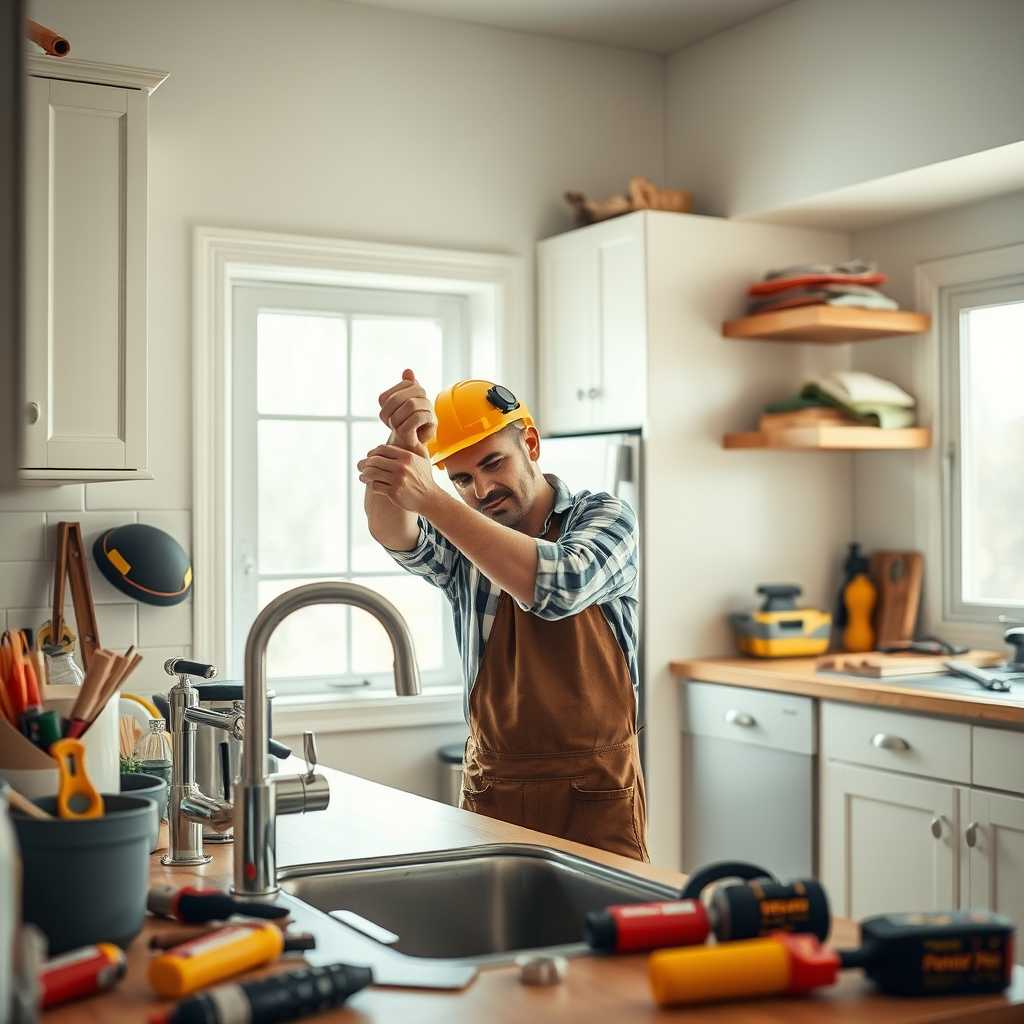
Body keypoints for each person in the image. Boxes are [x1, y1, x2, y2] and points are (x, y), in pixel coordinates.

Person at [358, 370, 648, 862]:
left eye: (494, 462)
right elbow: (393, 532)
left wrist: (432, 497)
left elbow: (561, 586)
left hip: (596, 801)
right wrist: (401, 445)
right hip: (493, 794)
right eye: (463, 479)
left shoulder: (605, 517)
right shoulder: (468, 541)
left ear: (530, 444)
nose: (483, 488)